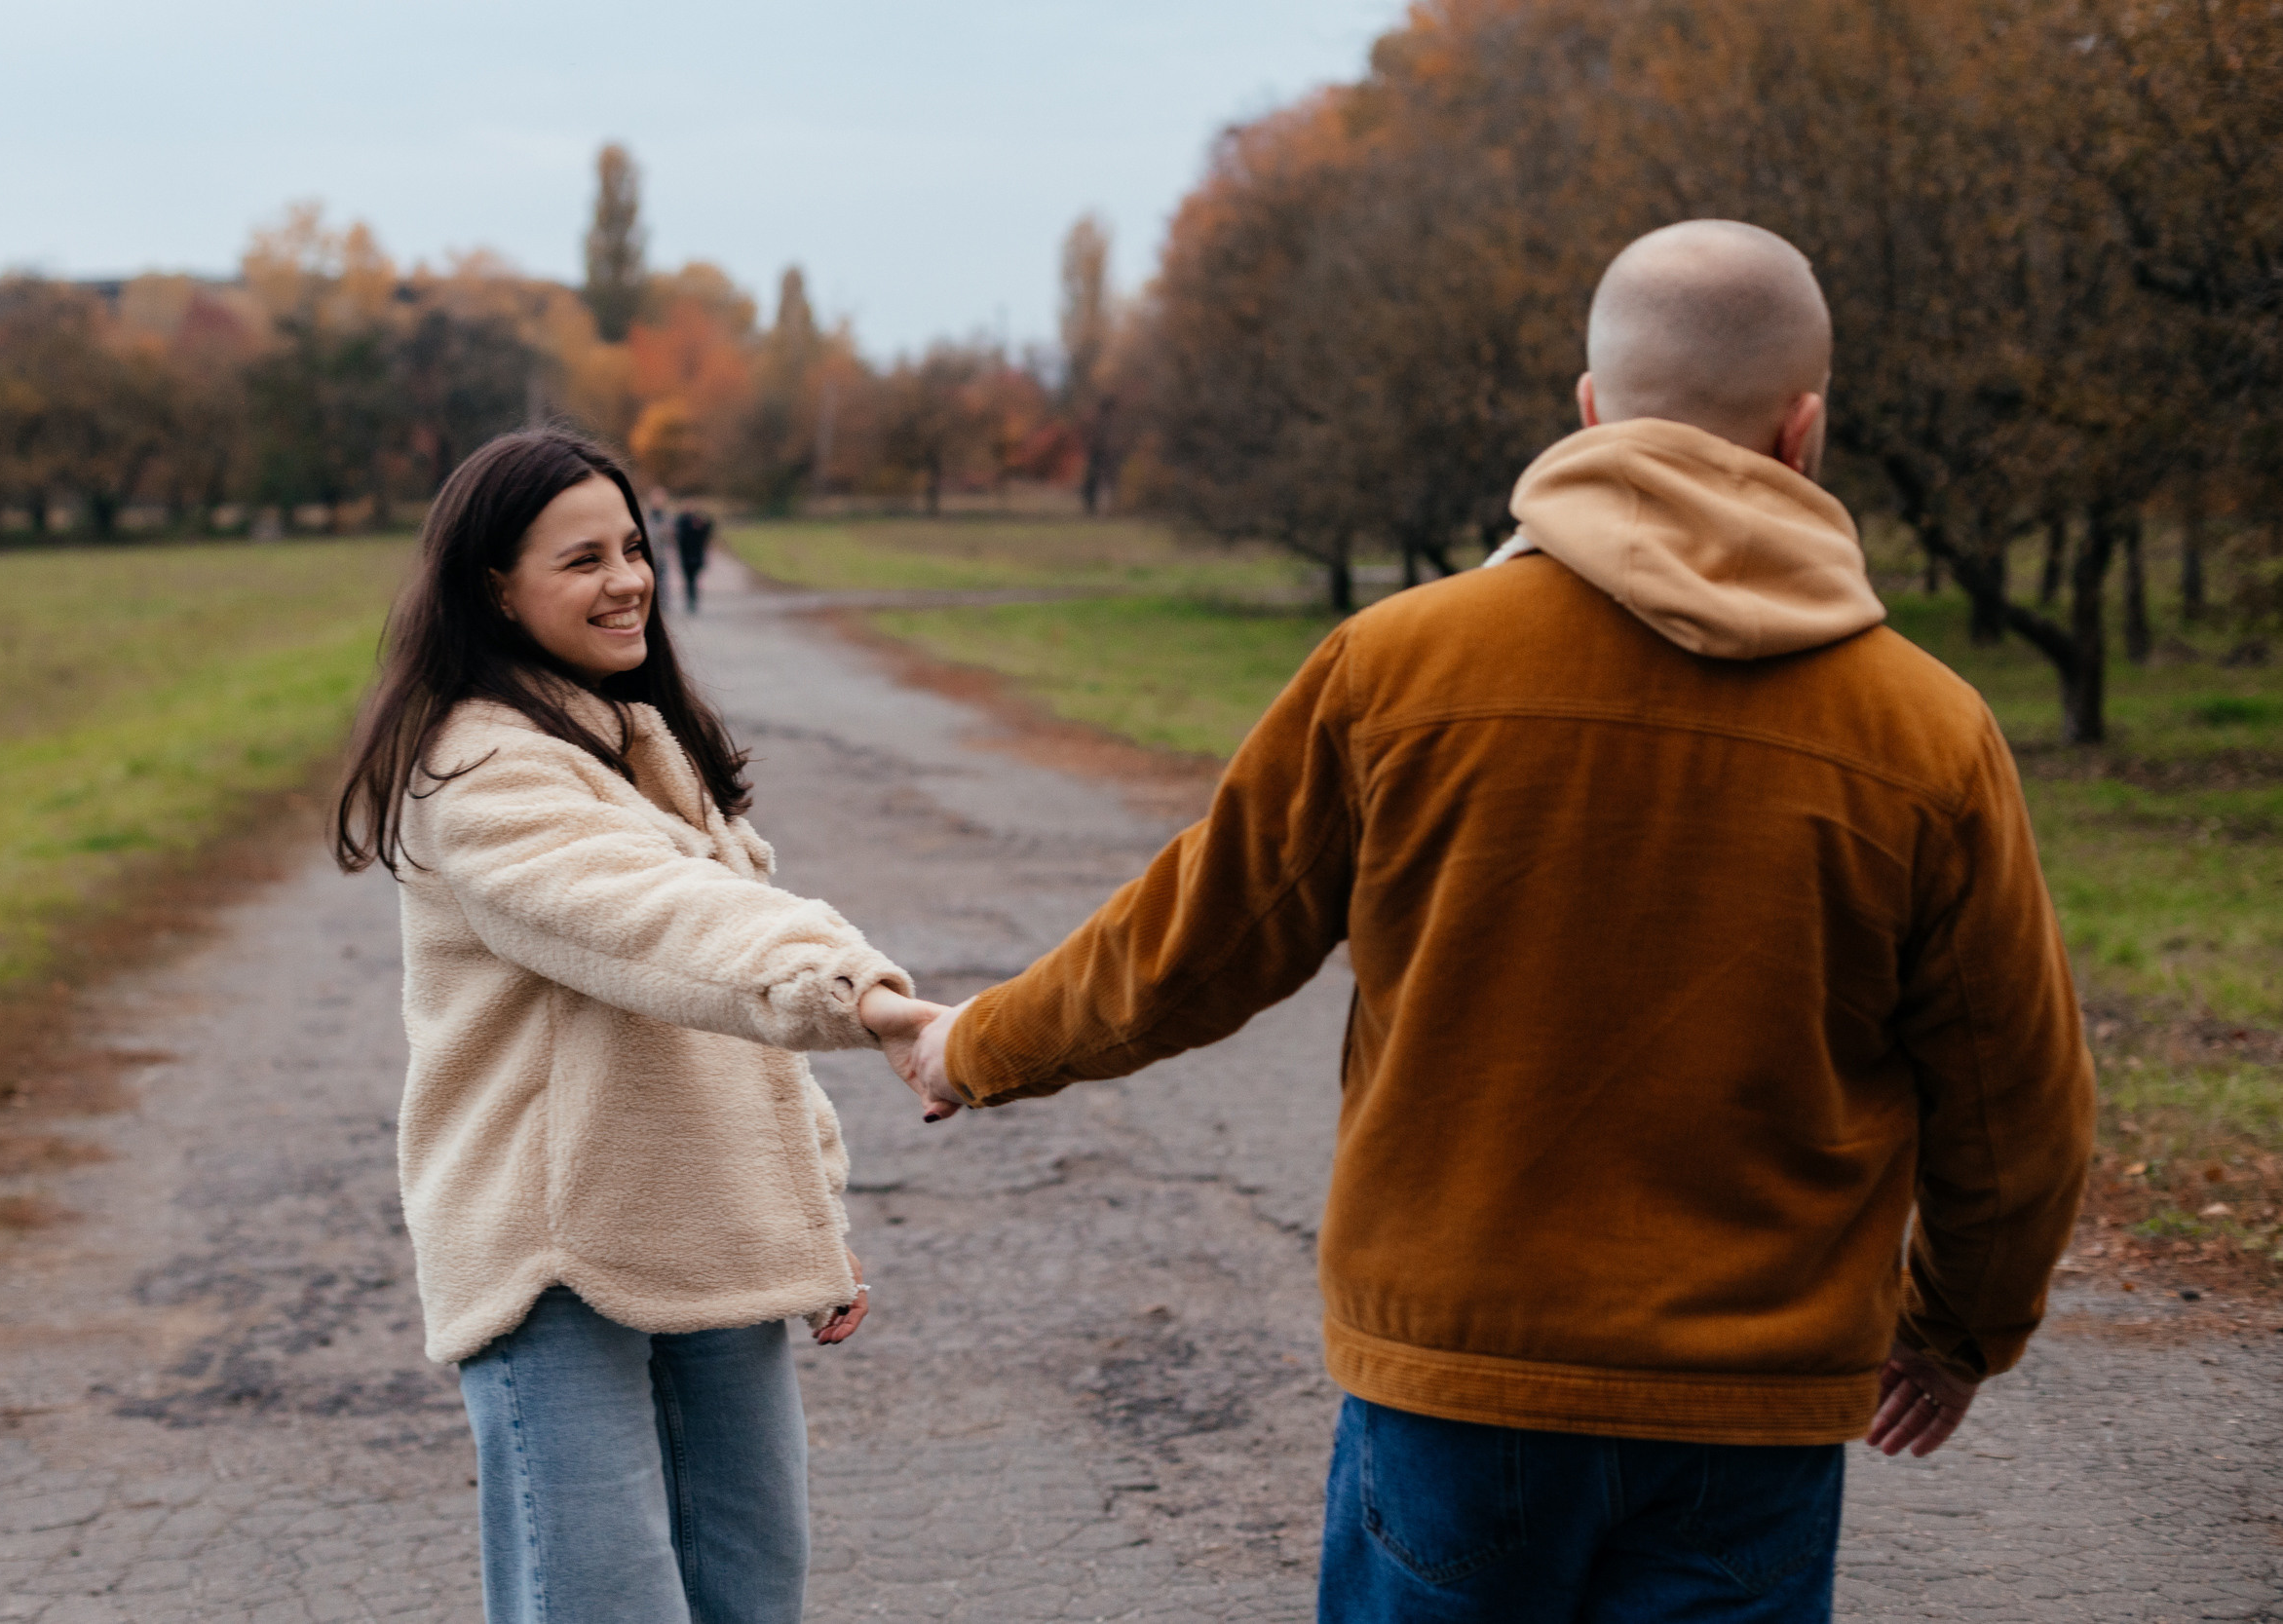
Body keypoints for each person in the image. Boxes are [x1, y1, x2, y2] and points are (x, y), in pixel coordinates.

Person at [894, 221, 2094, 1621]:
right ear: (1803, 429)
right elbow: (2016, 1100)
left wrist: (975, 1044)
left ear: (1589, 409)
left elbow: (1188, 946)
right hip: (1751, 1409)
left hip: (1458, 1384)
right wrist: (1956, 1331)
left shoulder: (1397, 664)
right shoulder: (1931, 729)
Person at [333, 428, 942, 1624]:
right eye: (582, 560)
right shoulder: (483, 770)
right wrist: (860, 995)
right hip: (560, 1261)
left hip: (706, 1233)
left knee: (749, 1596)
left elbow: (718, 1027)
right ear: (492, 588)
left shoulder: (635, 740)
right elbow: (669, 923)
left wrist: (811, 1219)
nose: (626, 581)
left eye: (631, 546)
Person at [673, 505, 715, 612]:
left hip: (696, 557)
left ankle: (692, 599)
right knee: (689, 580)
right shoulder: (684, 524)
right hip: (686, 557)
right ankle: (691, 599)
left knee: (692, 580)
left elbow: (710, 527)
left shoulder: (701, 528)